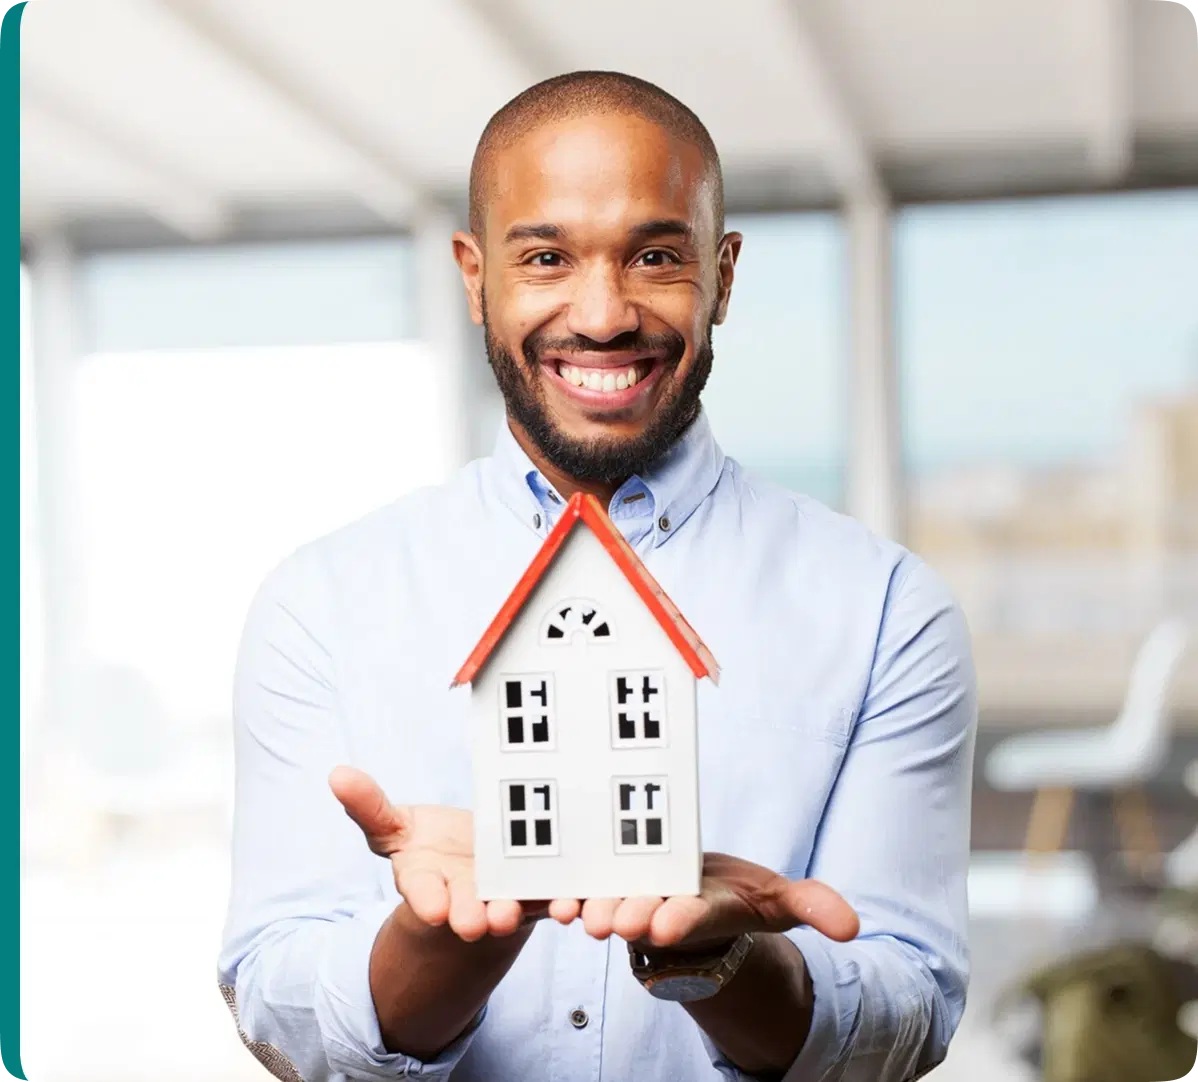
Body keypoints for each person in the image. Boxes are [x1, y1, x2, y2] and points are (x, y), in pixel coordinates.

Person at [218, 70, 977, 1082]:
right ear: (473, 273)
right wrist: (451, 940)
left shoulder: (888, 608)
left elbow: (906, 1012)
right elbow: (276, 998)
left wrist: (724, 961)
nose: (604, 313)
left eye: (656, 255)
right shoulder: (321, 602)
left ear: (723, 272)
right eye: (545, 257)